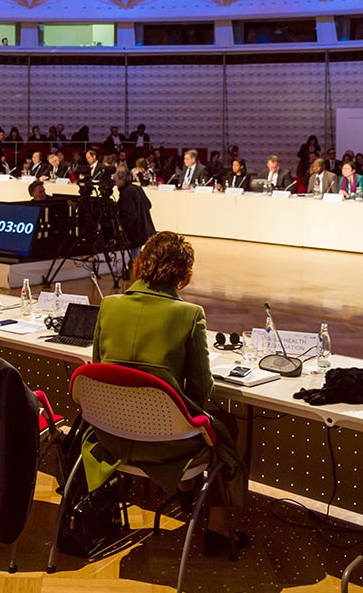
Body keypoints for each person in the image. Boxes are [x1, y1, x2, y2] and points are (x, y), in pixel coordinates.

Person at [82, 231, 247, 557]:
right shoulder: (189, 315)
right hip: (167, 445)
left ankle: (185, 487)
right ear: (185, 274)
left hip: (110, 438)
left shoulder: (110, 306)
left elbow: (101, 371)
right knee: (226, 426)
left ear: (141, 264)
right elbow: (202, 390)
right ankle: (217, 527)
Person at [114, 168, 155, 252]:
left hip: (135, 235)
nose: (115, 182)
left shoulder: (126, 193)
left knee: (134, 257)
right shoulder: (137, 188)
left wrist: (121, 228)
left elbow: (130, 216)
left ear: (121, 179)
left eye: (115, 179)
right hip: (145, 231)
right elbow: (148, 204)